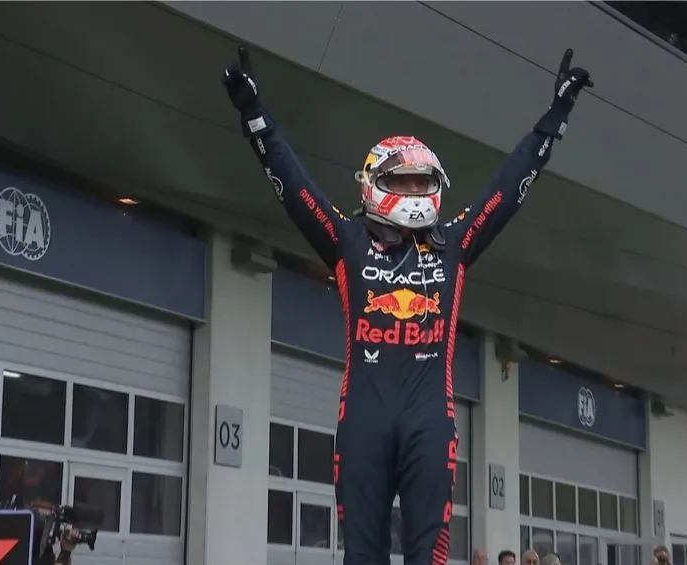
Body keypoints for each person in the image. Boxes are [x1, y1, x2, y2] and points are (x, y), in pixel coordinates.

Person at [222, 45, 592, 565]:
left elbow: (507, 190)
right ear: (376, 184)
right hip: (363, 421)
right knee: (362, 556)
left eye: (423, 180)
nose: (416, 190)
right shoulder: (348, 243)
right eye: (404, 180)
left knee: (429, 556)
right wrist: (254, 115)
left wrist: (554, 121)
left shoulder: (455, 245)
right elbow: (296, 190)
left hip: (428, 422)